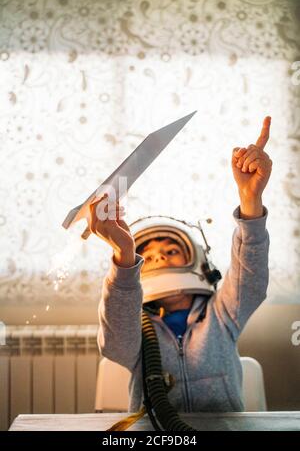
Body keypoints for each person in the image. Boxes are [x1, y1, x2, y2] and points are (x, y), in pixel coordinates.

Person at [89, 116, 272, 414]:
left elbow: (249, 279)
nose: (160, 256)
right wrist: (124, 253)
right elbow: (115, 345)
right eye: (148, 255)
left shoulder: (222, 314)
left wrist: (251, 201)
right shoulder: (136, 326)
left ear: (197, 261)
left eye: (172, 250)